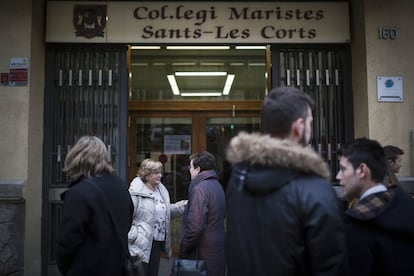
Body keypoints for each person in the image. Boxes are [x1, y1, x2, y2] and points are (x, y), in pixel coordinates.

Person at [225, 86, 349, 276]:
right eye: (310, 122)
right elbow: (330, 267)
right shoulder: (316, 189)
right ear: (299, 127)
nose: (311, 127)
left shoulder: (239, 179)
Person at [56, 136, 133, 276]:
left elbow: (69, 240)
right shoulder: (121, 187)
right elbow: (127, 223)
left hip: (87, 268)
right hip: (118, 268)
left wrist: (66, 268)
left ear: (76, 156)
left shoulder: (78, 192)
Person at [336, 137, 414, 276]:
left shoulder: (355, 223)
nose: (338, 176)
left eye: (342, 169)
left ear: (362, 170)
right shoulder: (407, 205)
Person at [128, 158, 187, 276]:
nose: (160, 175)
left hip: (156, 242)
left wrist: (184, 206)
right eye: (156, 173)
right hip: (141, 244)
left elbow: (164, 211)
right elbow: (127, 216)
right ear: (146, 174)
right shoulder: (136, 192)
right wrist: (135, 236)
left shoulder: (161, 190)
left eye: (160, 172)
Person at [180, 151, 226, 276]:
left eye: (190, 167)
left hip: (202, 253)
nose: (189, 170)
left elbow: (195, 227)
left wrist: (183, 247)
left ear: (198, 169)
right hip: (215, 250)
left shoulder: (200, 189)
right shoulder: (216, 185)